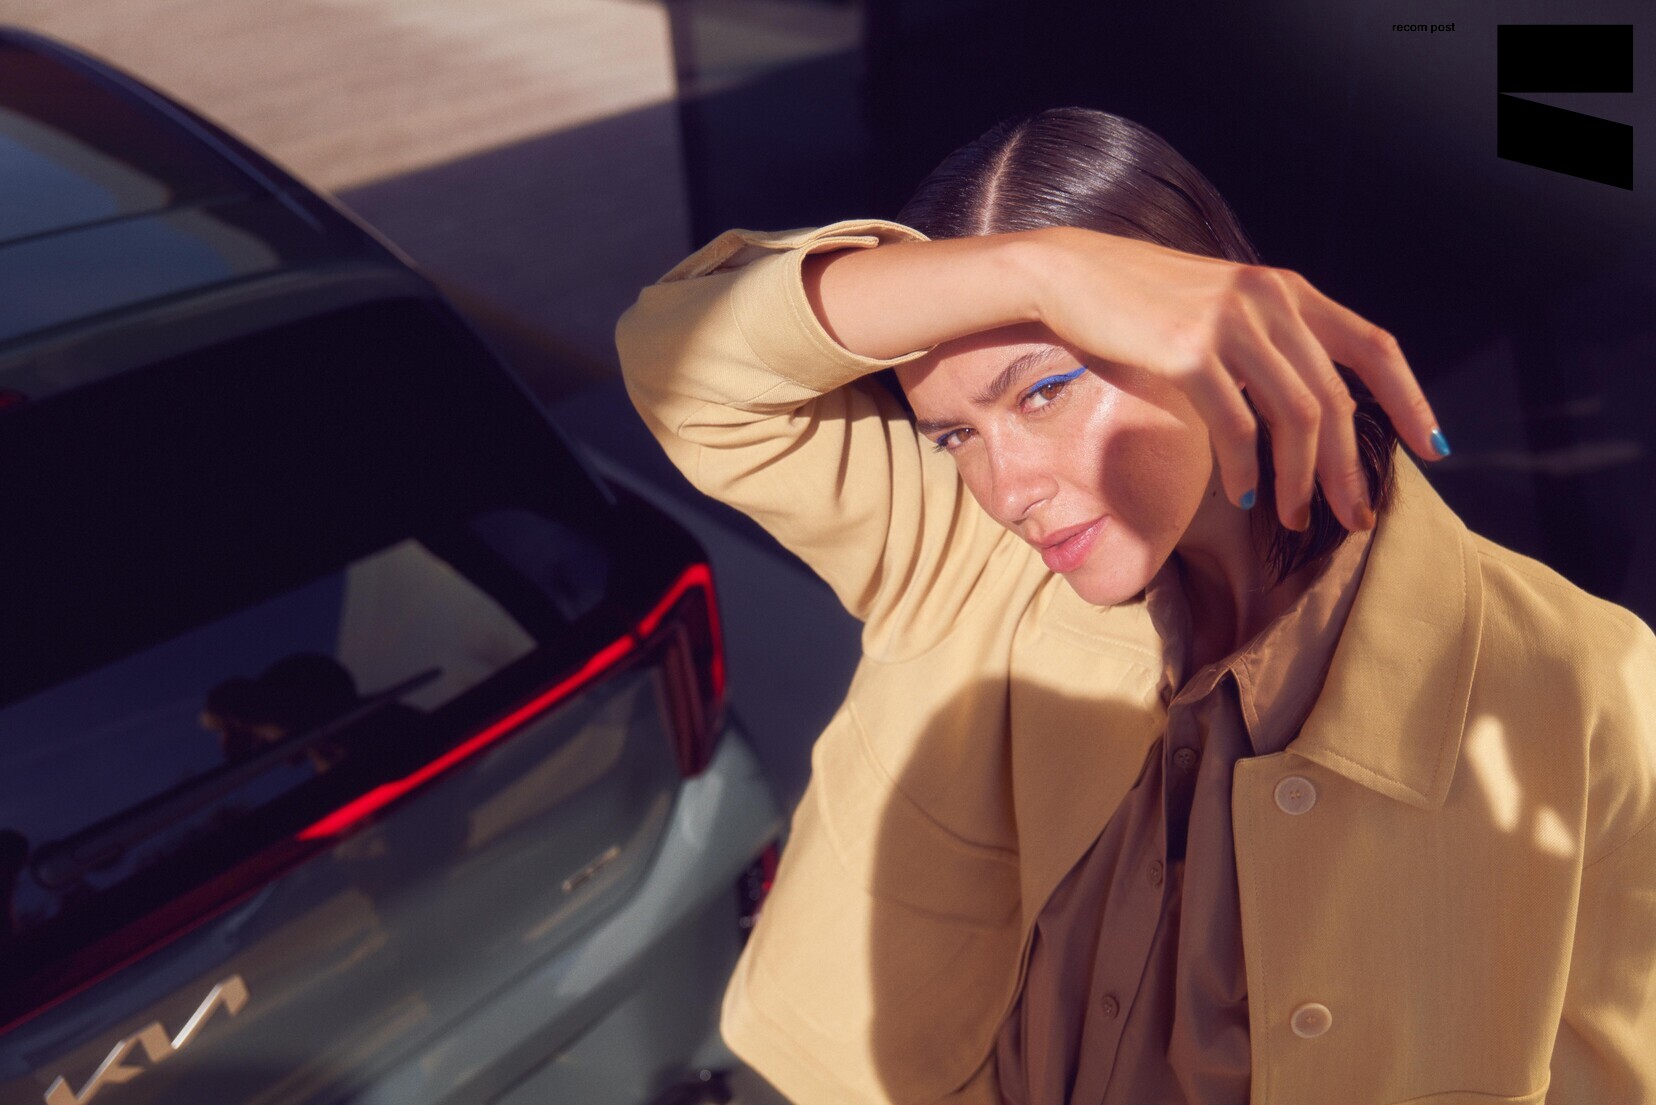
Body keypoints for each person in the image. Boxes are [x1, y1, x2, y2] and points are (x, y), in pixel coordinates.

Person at [614, 107, 1656, 1104]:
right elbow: (686, 371)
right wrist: (1036, 271)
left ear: (1207, 335)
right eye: (955, 435)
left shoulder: (1583, 687)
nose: (1005, 490)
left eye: (1043, 390)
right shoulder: (961, 550)